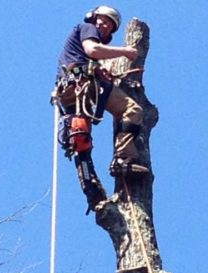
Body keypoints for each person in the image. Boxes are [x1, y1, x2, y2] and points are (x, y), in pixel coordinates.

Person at [51, 6, 149, 213]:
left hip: (73, 90)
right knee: (132, 109)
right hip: (79, 85)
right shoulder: (86, 28)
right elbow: (92, 50)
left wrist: (101, 71)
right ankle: (123, 159)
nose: (104, 26)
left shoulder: (90, 55)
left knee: (80, 140)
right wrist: (126, 52)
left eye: (109, 25)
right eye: (103, 20)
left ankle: (92, 191)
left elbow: (92, 58)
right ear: (94, 18)